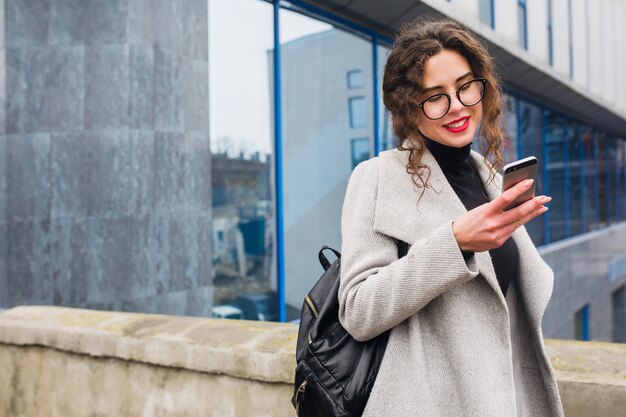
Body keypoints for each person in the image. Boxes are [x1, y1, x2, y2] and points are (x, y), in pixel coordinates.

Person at [338, 17, 565, 417]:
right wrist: (454, 243)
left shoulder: (491, 177)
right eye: (435, 96)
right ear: (406, 105)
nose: (457, 106)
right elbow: (358, 310)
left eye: (465, 87)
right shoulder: (375, 178)